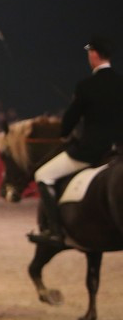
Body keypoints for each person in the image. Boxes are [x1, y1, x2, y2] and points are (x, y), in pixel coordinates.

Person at [29, 36, 123, 244]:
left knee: (42, 175)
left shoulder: (86, 86)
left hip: (91, 151)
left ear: (95, 55)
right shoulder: (120, 83)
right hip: (117, 151)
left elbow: (69, 122)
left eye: (89, 52)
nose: (88, 56)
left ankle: (54, 230)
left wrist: (64, 132)